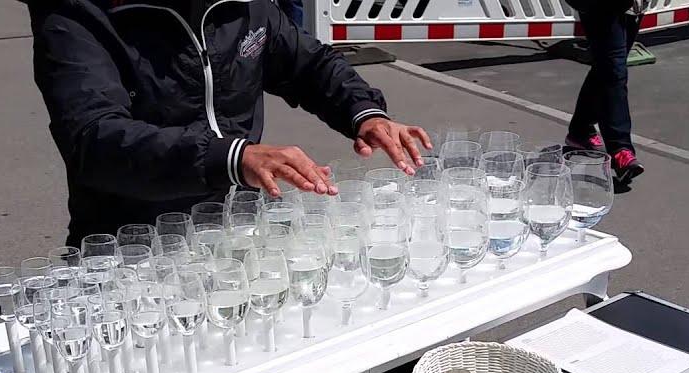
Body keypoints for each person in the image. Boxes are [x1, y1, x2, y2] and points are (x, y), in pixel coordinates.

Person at [26, 0, 430, 245]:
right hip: (131, 246)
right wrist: (231, 158)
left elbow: (308, 63)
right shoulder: (77, 14)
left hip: (237, 233)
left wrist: (365, 113)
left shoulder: (242, 6)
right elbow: (94, 140)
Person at [563, 0, 647, 187]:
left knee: (607, 68)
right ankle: (620, 150)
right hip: (600, 7)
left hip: (631, 6)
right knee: (614, 71)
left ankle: (580, 130)